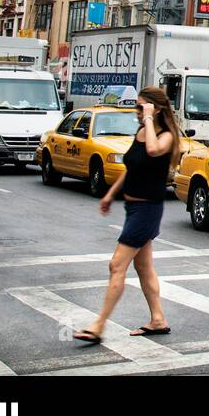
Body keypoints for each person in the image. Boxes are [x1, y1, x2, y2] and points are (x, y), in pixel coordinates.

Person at [74, 88, 180, 344]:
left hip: (147, 209)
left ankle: (98, 326)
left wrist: (147, 119)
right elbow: (131, 168)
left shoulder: (164, 137)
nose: (136, 111)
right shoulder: (142, 133)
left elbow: (153, 151)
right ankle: (158, 320)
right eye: (137, 107)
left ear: (155, 109)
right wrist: (110, 194)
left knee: (117, 265)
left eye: (141, 106)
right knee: (143, 267)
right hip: (133, 208)